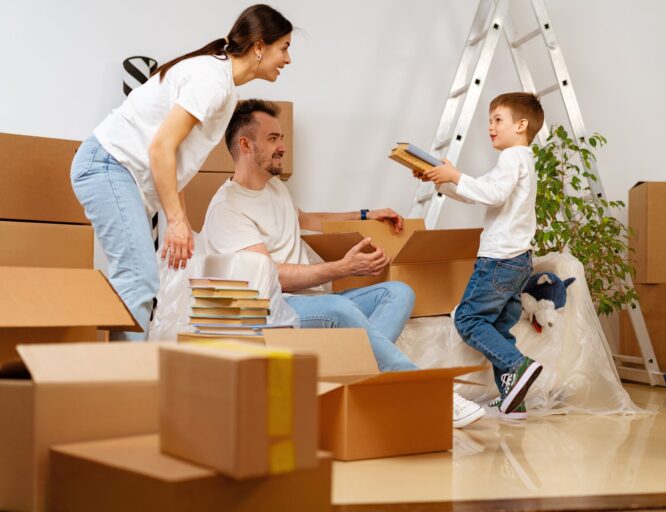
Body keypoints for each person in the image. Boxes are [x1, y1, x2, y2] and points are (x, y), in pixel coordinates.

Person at [202, 99, 485, 428]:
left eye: (282, 137)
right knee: (339, 311)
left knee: (399, 292)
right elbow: (271, 279)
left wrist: (366, 214)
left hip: (310, 302)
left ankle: (362, 380)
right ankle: (430, 391)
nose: (283, 146)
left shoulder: (274, 188)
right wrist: (342, 268)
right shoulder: (228, 208)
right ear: (245, 145)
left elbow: (307, 218)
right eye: (273, 139)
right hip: (271, 309)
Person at [70, 5, 293, 341]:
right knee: (138, 277)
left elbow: (176, 159)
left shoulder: (224, 88)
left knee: (142, 278)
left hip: (119, 172)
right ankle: (123, 381)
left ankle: (124, 375)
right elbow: (160, 147)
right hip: (108, 165)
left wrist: (183, 222)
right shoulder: (212, 81)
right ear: (260, 46)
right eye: (284, 48)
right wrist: (174, 222)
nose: (288, 59)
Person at [418, 92, 545, 420]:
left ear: (521, 125)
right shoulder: (521, 159)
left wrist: (455, 176)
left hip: (499, 259)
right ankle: (513, 401)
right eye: (489, 121)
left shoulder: (513, 157)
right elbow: (483, 193)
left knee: (468, 318)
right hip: (517, 259)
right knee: (499, 328)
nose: (490, 127)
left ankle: (519, 366)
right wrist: (443, 183)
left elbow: (491, 193)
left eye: (497, 120)